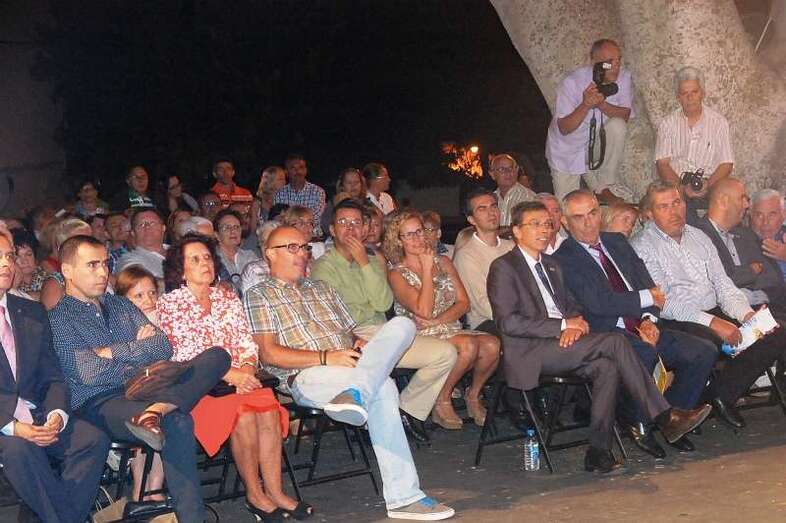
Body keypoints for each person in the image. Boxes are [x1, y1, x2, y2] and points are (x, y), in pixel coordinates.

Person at [244, 225, 455, 521]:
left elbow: (350, 332)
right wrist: (326, 357)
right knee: (383, 388)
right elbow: (268, 354)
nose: (302, 253)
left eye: (305, 247)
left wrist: (358, 343)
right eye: (292, 247)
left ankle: (355, 393)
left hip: (351, 366)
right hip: (307, 375)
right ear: (269, 254)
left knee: (402, 326)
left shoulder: (322, 288)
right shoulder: (259, 294)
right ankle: (404, 497)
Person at [488, 200, 711, 473]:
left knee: (606, 367)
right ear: (516, 231)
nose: (544, 230)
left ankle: (598, 451)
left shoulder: (552, 265)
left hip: (566, 343)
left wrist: (576, 324)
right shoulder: (504, 267)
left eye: (547, 224)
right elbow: (508, 322)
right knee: (615, 341)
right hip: (531, 350)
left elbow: (573, 307)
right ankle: (665, 416)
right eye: (535, 224)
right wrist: (562, 326)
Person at [48, 234, 231, 523]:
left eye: (105, 263)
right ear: (67, 271)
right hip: (100, 402)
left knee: (218, 356)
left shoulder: (120, 306)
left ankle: (155, 411)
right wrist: (137, 355)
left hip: (147, 387)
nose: (103, 272)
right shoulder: (59, 318)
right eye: (92, 265)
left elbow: (163, 346)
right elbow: (88, 372)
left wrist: (111, 352)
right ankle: (193, 518)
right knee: (178, 421)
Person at [158, 235, 312, 520]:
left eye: (207, 257)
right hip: (201, 387)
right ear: (181, 270)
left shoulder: (227, 298)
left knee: (267, 409)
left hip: (242, 378)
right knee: (244, 415)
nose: (204, 263)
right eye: (195, 259)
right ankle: (255, 495)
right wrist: (233, 376)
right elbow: (184, 353)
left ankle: (276, 491)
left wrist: (248, 370)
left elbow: (246, 341)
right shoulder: (170, 304)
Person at [554, 189, 716, 457]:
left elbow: (646, 283)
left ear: (600, 213)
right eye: (578, 217)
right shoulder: (564, 258)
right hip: (608, 333)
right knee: (644, 352)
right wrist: (648, 297)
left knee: (703, 350)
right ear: (564, 222)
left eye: (592, 213)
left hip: (642, 325)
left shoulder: (617, 241)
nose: (588, 222)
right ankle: (641, 423)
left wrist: (649, 319)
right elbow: (600, 303)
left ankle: (672, 420)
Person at [631, 181, 786, 428]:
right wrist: (715, 323)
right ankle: (683, 409)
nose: (674, 211)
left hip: (713, 310)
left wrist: (746, 315)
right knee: (710, 343)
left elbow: (723, 285)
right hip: (677, 319)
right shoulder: (642, 245)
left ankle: (717, 397)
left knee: (773, 331)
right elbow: (665, 302)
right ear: (649, 213)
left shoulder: (698, 236)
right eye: (663, 207)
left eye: (677, 203)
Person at [312, 199, 457, 443]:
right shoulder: (323, 268)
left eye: (356, 223)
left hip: (384, 331)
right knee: (404, 336)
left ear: (365, 229)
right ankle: (381, 420)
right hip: (355, 335)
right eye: (343, 222)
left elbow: (382, 303)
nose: (350, 228)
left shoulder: (371, 260)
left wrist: (364, 264)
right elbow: (336, 319)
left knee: (446, 353)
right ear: (332, 230)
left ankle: (405, 411)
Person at [0, 230, 110, 523]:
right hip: (5, 425)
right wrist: (13, 427)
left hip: (36, 415)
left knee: (91, 440)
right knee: (21, 450)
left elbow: (52, 375)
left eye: (8, 256)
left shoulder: (30, 311)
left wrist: (56, 414)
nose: (6, 263)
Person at [385, 210, 500, 429]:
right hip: (419, 334)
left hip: (448, 327)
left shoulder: (444, 262)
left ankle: (473, 394)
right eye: (408, 235)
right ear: (398, 241)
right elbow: (424, 311)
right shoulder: (397, 274)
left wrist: (439, 321)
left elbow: (463, 303)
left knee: (492, 344)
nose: (417, 238)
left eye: (419, 231)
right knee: (468, 345)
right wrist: (427, 269)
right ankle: (442, 399)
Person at [545, 39, 635, 203]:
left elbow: (625, 115)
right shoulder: (572, 82)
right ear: (594, 62)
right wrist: (585, 105)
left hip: (595, 145)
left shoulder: (623, 78)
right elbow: (564, 128)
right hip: (567, 150)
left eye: (618, 60)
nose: (615, 66)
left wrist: (601, 104)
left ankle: (604, 186)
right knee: (568, 205)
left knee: (618, 125)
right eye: (609, 62)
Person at [693, 178, 786, 312]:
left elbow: (773, 279)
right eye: (742, 198)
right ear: (724, 201)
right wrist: (751, 271)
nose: (746, 205)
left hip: (768, 310)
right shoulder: (696, 236)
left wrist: (741, 280)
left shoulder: (746, 235)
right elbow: (716, 284)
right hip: (725, 316)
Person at [655, 66, 733, 223]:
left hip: (709, 185)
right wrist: (682, 189)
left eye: (694, 92)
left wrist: (707, 185)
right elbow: (662, 164)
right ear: (678, 97)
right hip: (677, 186)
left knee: (731, 196)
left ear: (702, 93)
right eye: (684, 93)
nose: (690, 98)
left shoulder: (719, 123)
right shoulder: (667, 124)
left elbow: (726, 163)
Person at [114, 266, 166, 501]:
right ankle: (142, 489)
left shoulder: (165, 318)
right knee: (147, 413)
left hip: (163, 390)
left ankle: (153, 487)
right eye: (139, 296)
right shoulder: (119, 324)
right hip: (130, 390)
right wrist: (140, 346)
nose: (149, 300)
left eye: (152, 293)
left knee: (162, 417)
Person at [40, 218, 93, 310]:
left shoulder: (102, 273)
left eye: (91, 240)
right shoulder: (56, 284)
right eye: (80, 242)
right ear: (62, 247)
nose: (90, 246)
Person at [273, 154, 327, 237]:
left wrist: (294, 223)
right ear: (286, 172)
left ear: (305, 170)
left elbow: (315, 219)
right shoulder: (279, 193)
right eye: (293, 168)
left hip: (313, 237)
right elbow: (279, 218)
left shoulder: (318, 192)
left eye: (301, 168)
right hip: (288, 237)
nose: (298, 171)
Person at [116, 208, 168, 279]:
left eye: (152, 223)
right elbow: (140, 281)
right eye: (141, 224)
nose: (147, 227)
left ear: (163, 228)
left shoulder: (179, 250)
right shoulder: (128, 260)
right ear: (133, 233)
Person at [489, 154, 536, 229]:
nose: (508, 172)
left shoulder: (529, 198)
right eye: (502, 169)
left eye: (511, 168)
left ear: (517, 170)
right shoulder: (490, 200)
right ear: (492, 174)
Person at [750, 188, 786, 283]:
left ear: (783, 215)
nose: (765, 222)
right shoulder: (740, 241)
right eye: (759, 215)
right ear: (751, 215)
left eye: (771, 215)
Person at [213, 209, 258, 283]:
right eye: (227, 227)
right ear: (217, 235)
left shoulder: (249, 256)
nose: (233, 231)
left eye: (236, 227)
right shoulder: (212, 259)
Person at [240, 220, 280, 294]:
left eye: (270, 241)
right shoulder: (253, 270)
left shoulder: (295, 267)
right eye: (263, 242)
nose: (266, 247)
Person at [11, 228, 47, 300]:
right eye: (18, 256)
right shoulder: (7, 282)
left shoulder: (47, 277)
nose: (24, 261)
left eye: (28, 254)